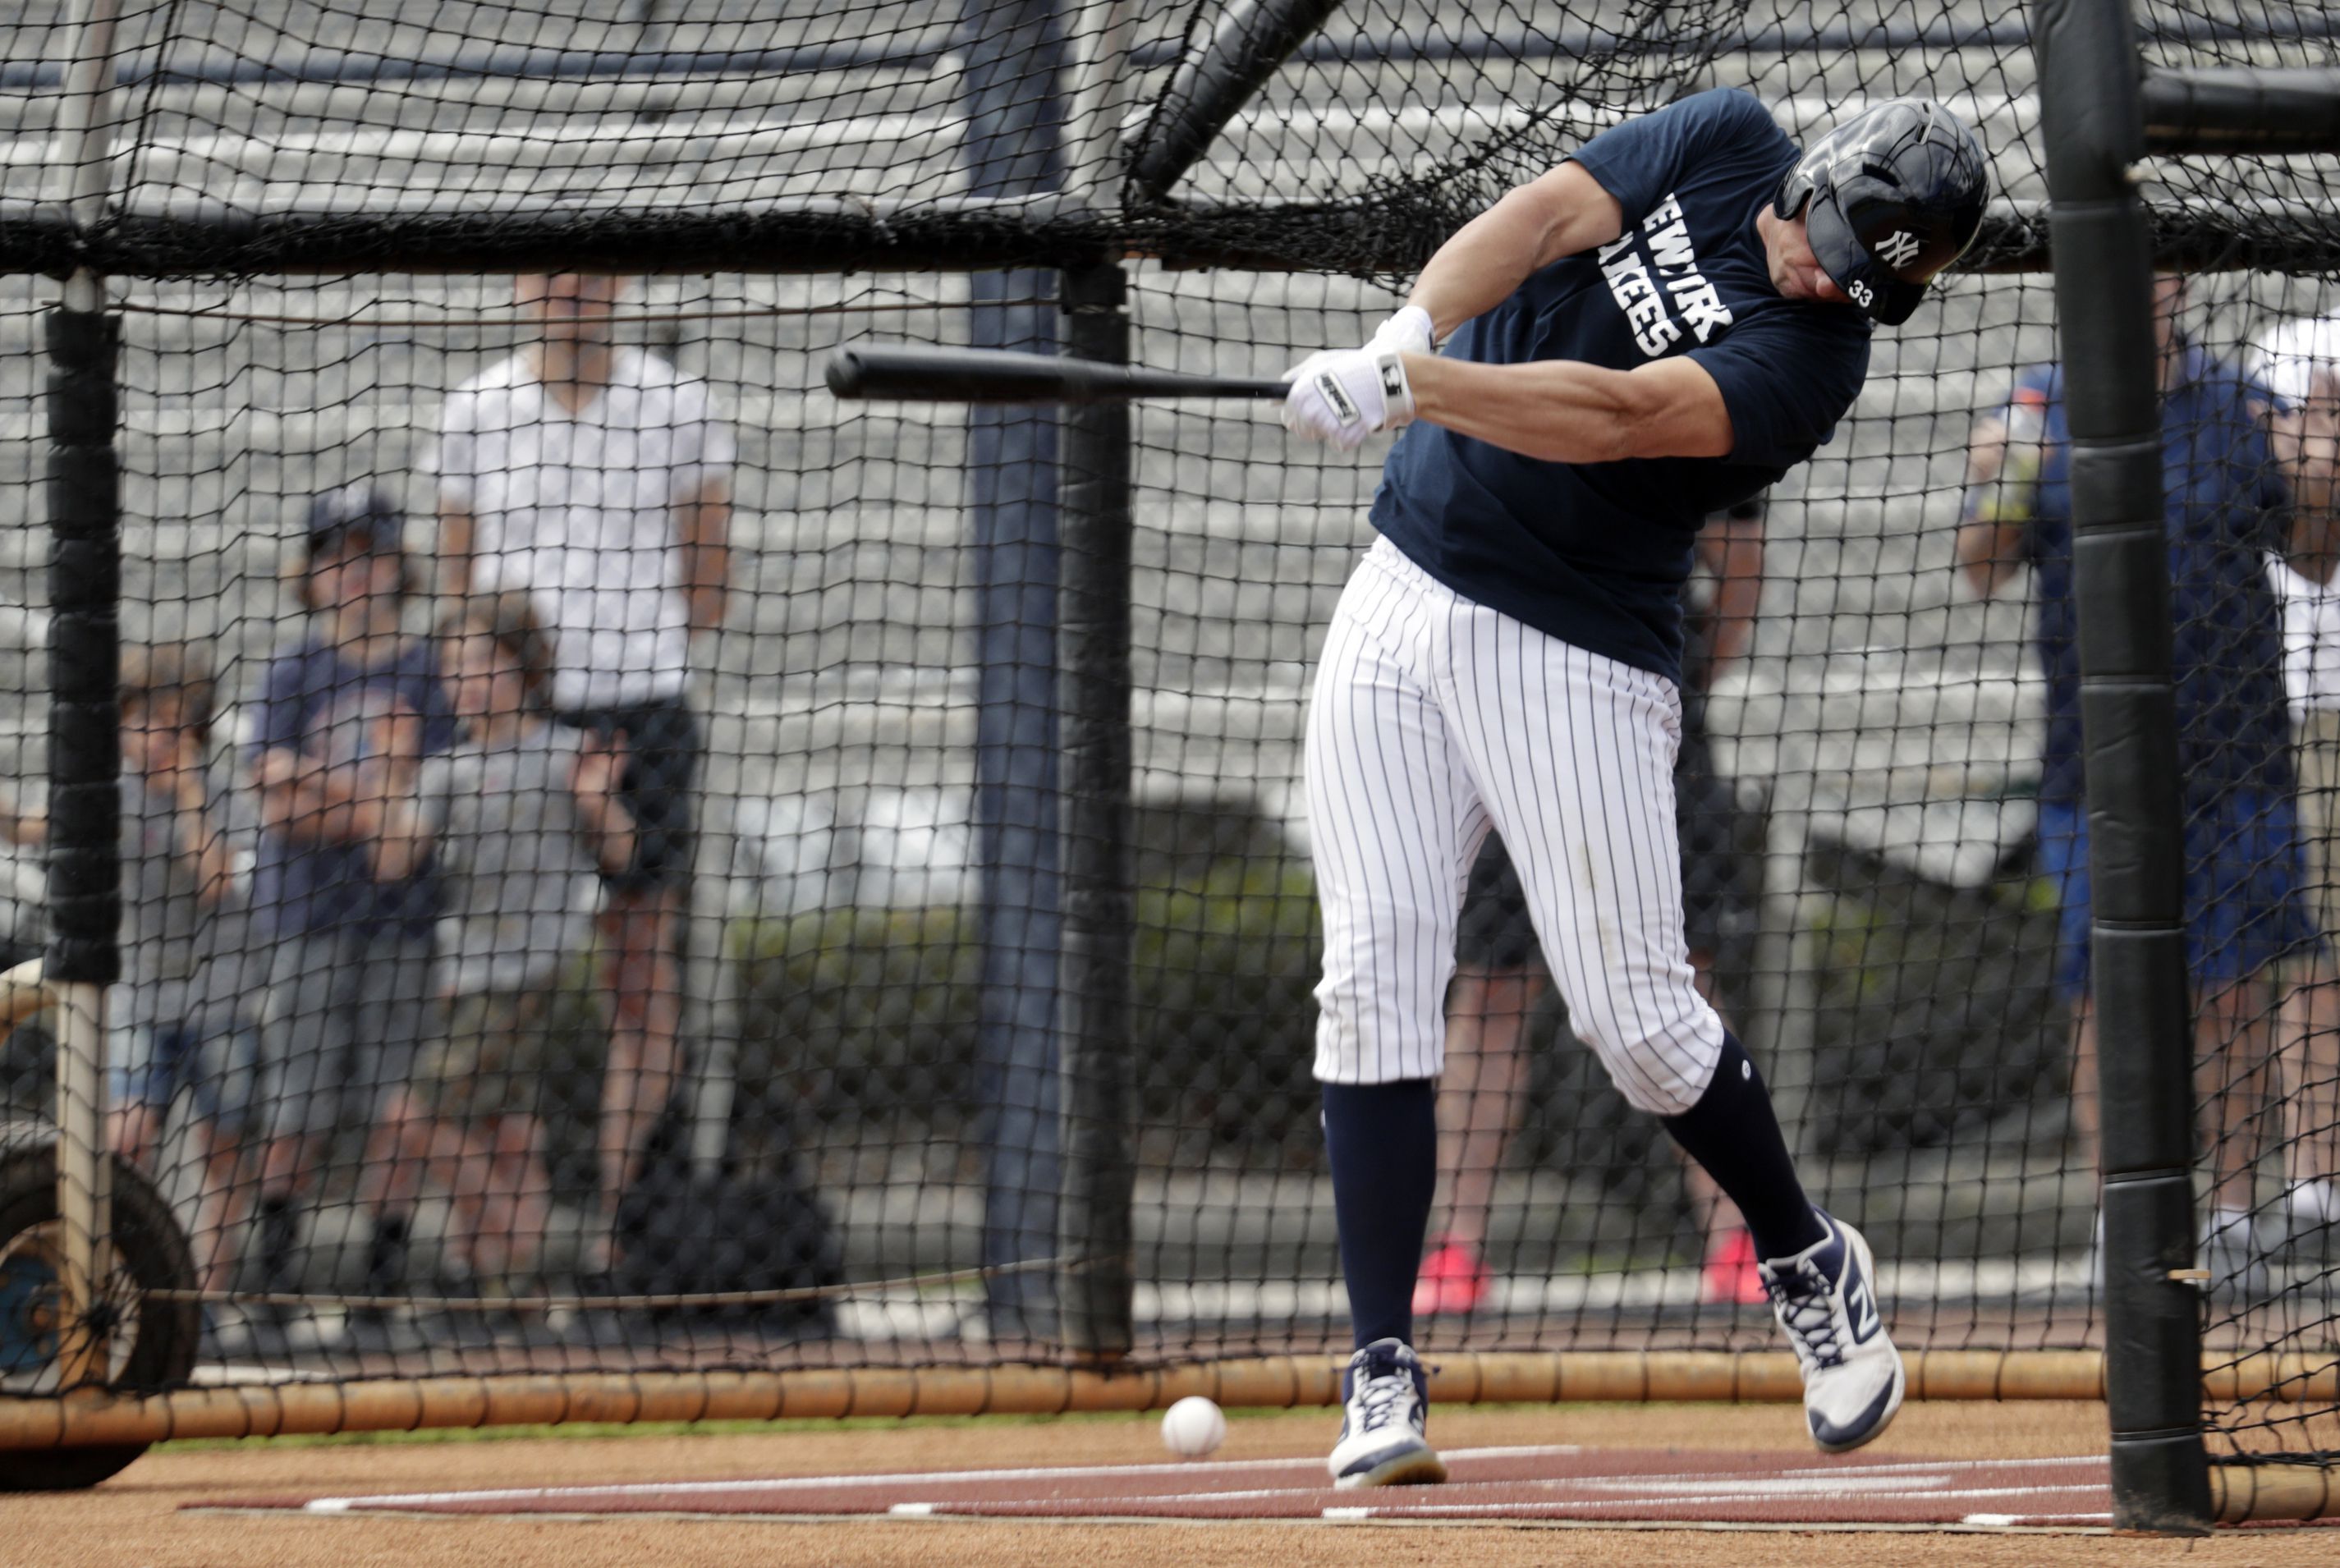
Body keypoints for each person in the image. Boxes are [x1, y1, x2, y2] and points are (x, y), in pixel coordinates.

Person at [1280, 89, 1987, 1485]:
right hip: (1401, 586)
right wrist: (1405, 333)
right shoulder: (1728, 137)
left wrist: (1421, 390)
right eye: (1831, 243)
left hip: (1574, 651)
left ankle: (1804, 1255)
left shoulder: (1815, 362)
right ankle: (1381, 1365)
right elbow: (1544, 217)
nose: (1823, 278)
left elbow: (1617, 416)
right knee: (1370, 974)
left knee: (1636, 1019)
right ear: (1824, 176)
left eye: (1859, 280)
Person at [1960, 277, 2337, 1300]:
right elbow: (1981, 567)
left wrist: (2315, 477)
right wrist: (1998, 479)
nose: (2144, 292)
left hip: (2238, 755)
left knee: (2234, 988)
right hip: (2093, 767)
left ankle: (2233, 1211)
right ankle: (2121, 1216)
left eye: (2161, 274)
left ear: (2179, 288)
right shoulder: (2037, 408)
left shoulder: (2236, 406)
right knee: (2106, 996)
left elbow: (2313, 560)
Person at [434, 273, 736, 1271]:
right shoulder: (476, 409)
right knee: (497, 964)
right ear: (521, 286)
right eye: (550, 273)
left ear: (616, 286)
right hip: (518, 720)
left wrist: (627, 651)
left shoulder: (676, 403)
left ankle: (623, 1227)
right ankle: (495, 1248)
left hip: (639, 707)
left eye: (589, 274)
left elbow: (709, 585)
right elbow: (457, 582)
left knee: (640, 976)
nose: (569, 290)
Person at [1413, 501, 1773, 1318]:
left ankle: (1742, 1237)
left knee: (1680, 982)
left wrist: (1674, 675)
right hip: (1503, 730)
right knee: (1493, 988)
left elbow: (1740, 564)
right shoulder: (1488, 387)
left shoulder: (1682, 382)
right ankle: (1453, 1250)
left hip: (1642, 720)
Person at [248, 484, 458, 1352]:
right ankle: (272, 1281)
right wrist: (372, 799)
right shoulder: (295, 670)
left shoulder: (427, 668)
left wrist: (329, 789)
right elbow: (273, 798)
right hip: (308, 918)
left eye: (367, 554)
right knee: (294, 1104)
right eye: (335, 556)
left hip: (404, 922)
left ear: (395, 564)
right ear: (314, 573)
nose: (353, 572)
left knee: (393, 1108)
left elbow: (434, 803)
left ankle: (378, 1286)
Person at [390, 592, 637, 1313]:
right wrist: (395, 771)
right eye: (454, 668)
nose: (466, 680)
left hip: (540, 973)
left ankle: (510, 1252)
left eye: (482, 663)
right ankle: (511, 1288)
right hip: (467, 977)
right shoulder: (446, 770)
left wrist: (596, 802)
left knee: (412, 1119)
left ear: (523, 669)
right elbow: (392, 860)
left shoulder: (566, 751)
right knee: (505, 1134)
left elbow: (622, 854)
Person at [0, 644, 253, 1312]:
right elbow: (33, 826)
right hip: (141, 993)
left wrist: (192, 793)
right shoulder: (111, 793)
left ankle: (214, 1298)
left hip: (220, 994)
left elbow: (215, 880)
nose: (154, 739)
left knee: (223, 1149)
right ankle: (121, 1274)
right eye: (142, 723)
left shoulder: (221, 790)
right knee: (126, 1134)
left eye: (171, 725)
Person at [2250, 314, 2340, 1245]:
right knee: (2312, 945)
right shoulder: (2286, 344)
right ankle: (2318, 1180)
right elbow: (2302, 527)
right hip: (2311, 697)